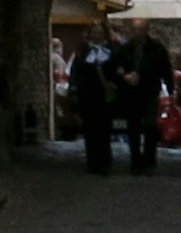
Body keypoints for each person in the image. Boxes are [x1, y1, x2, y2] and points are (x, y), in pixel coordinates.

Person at [114, 19, 173, 175]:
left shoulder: (156, 48)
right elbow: (117, 67)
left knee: (149, 125)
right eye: (135, 29)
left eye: (140, 29)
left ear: (147, 30)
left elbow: (165, 68)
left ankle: (149, 159)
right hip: (131, 92)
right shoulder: (125, 48)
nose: (137, 33)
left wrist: (170, 88)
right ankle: (135, 159)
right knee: (133, 126)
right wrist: (125, 76)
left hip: (149, 90)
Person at [67, 31, 116, 176]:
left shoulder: (111, 50)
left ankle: (105, 162)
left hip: (104, 95)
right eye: (94, 32)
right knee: (90, 129)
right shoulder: (83, 51)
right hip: (87, 94)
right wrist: (74, 88)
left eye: (100, 31)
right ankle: (93, 162)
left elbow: (115, 70)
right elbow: (75, 70)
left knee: (104, 129)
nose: (97, 35)